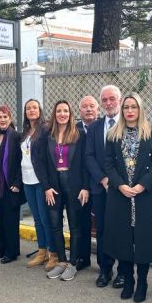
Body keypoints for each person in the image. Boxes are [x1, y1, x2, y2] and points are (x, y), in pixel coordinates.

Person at [104, 93, 152, 303]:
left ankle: (143, 282)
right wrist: (120, 184)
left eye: (134, 107)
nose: (130, 111)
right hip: (120, 196)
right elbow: (108, 164)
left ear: (140, 109)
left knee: (143, 240)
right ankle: (128, 280)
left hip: (142, 196)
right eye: (126, 107)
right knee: (123, 240)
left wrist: (142, 185)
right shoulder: (113, 134)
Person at [38, 100, 89, 281]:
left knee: (75, 226)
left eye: (65, 111)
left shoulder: (79, 134)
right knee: (55, 225)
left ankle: (73, 263)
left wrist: (85, 187)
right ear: (54, 114)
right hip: (54, 185)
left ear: (70, 113)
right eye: (59, 111)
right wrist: (46, 187)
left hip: (73, 184)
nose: (62, 114)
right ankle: (62, 261)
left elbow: (85, 163)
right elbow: (40, 162)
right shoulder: (47, 135)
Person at [85, 85, 125, 288]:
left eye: (112, 99)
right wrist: (102, 178)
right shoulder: (93, 128)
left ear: (120, 100)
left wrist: (119, 182)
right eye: (105, 100)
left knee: (123, 231)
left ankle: (123, 272)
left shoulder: (129, 124)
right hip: (101, 188)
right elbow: (89, 156)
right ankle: (105, 269)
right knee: (102, 230)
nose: (109, 103)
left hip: (124, 189)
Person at [0, 105, 25, 264]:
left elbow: (23, 162)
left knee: (10, 219)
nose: (2, 120)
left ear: (10, 119)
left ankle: (12, 251)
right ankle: (1, 248)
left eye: (5, 117)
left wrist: (17, 182)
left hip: (10, 185)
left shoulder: (17, 136)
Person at [20, 99, 55, 269]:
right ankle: (41, 252)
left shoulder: (46, 129)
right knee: (36, 219)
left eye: (34, 107)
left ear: (40, 110)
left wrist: (48, 183)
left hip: (41, 181)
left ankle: (53, 253)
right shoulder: (26, 131)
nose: (31, 110)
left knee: (45, 218)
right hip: (27, 181)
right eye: (28, 108)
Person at [75, 95, 98, 271]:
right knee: (81, 223)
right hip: (79, 185)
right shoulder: (73, 130)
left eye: (92, 106)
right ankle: (82, 257)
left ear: (97, 109)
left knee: (104, 225)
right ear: (79, 110)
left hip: (100, 184)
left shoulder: (105, 127)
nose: (88, 109)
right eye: (85, 107)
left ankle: (106, 263)